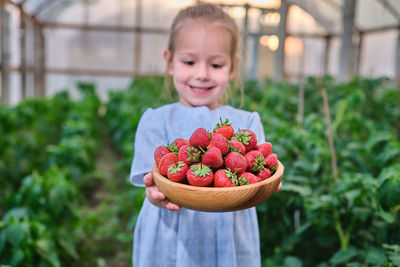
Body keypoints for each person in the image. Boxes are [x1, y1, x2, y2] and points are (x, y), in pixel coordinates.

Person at [130, 3, 279, 266]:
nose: (202, 74)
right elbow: (151, 183)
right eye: (189, 62)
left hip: (230, 237)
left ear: (232, 68)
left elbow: (259, 173)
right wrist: (156, 196)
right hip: (170, 237)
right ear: (170, 62)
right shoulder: (156, 120)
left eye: (216, 64)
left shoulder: (247, 122)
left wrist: (264, 185)